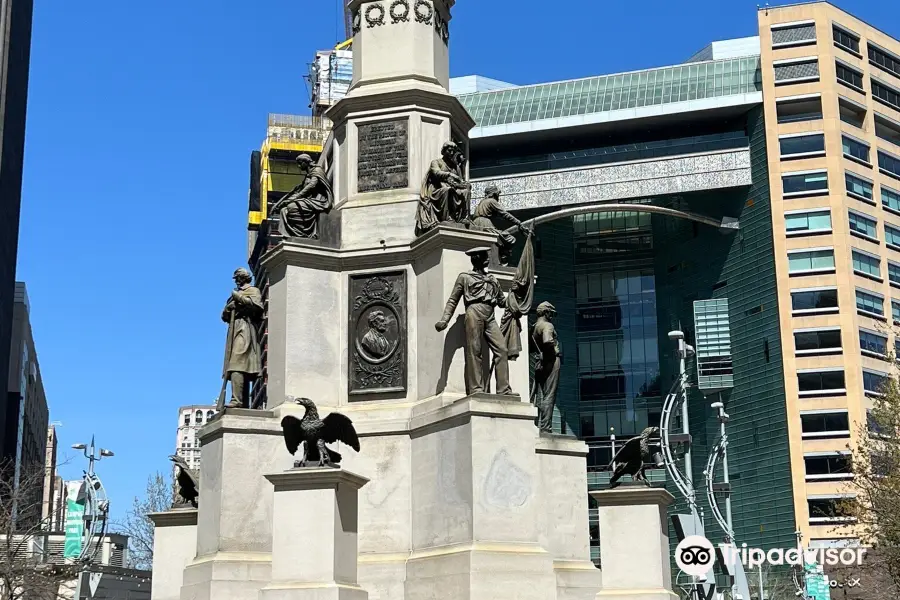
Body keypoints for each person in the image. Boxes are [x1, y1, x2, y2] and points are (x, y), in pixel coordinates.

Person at [435, 247, 513, 395]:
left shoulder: (492, 279)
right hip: (473, 312)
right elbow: (453, 300)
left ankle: (504, 389)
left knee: (502, 349)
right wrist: (445, 320)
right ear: (477, 259)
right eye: (484, 256)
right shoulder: (465, 277)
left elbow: (503, 302)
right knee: (474, 351)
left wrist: (516, 296)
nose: (487, 258)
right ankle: (476, 388)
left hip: (490, 315)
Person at [221, 268, 264, 408]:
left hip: (246, 328)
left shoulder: (253, 290)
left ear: (244, 278)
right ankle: (241, 401)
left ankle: (237, 400)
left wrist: (239, 298)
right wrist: (230, 307)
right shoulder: (234, 294)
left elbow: (258, 307)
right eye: (236, 278)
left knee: (237, 363)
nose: (237, 281)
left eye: (238, 278)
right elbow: (223, 315)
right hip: (235, 329)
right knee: (237, 364)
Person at [415, 141, 470, 236]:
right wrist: (450, 174)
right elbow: (436, 173)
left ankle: (462, 217)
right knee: (447, 190)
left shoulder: (455, 166)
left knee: (465, 191)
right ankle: (446, 217)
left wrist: (464, 184)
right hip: (437, 190)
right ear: (443, 151)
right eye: (449, 150)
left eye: (453, 151)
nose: (451, 153)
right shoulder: (436, 162)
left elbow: (459, 181)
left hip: (452, 188)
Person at [273, 154, 334, 239]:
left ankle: (303, 234)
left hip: (319, 201)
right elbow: (298, 191)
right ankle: (293, 234)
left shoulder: (317, 170)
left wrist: (294, 199)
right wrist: (281, 203)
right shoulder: (308, 175)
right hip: (310, 200)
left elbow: (311, 186)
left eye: (300, 163)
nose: (298, 166)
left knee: (291, 207)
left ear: (306, 162)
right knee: (284, 210)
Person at [471, 184, 529, 266]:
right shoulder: (491, 201)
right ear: (494, 194)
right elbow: (505, 214)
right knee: (509, 239)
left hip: (476, 224)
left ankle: (500, 257)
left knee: (501, 238)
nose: (498, 196)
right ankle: (502, 258)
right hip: (485, 224)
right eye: (498, 194)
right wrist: (518, 222)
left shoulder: (481, 203)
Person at [531, 301, 561, 433]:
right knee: (549, 395)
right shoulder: (547, 325)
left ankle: (541, 424)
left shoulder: (534, 327)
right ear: (546, 312)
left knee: (541, 394)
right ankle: (545, 427)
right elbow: (548, 340)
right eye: (551, 313)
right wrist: (552, 352)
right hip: (551, 361)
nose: (551, 316)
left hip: (540, 363)